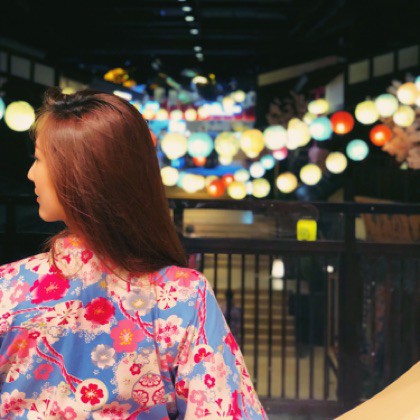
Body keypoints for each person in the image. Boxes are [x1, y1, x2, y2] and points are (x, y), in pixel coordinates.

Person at [0, 88, 267, 419]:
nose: (30, 173)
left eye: (39, 159)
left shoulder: (9, 287)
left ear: (78, 171)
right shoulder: (182, 295)